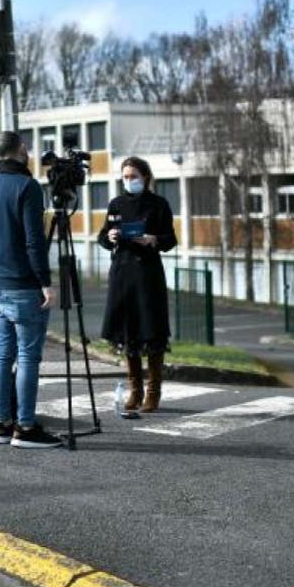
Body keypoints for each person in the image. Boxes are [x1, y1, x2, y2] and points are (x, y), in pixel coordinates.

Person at [0, 131, 61, 449]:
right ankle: (25, 428)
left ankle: (2, 424)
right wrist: (45, 282)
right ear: (21, 150)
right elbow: (34, 241)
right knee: (27, 357)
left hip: (0, 284)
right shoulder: (27, 187)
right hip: (24, 285)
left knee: (3, 355)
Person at [97, 156, 177, 413]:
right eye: (125, 177)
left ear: (145, 177)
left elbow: (170, 239)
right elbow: (102, 237)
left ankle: (153, 392)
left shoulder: (159, 204)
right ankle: (135, 390)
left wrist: (153, 239)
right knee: (128, 330)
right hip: (122, 273)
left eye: (134, 176)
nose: (129, 181)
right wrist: (109, 236)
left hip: (148, 274)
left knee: (152, 331)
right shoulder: (116, 204)